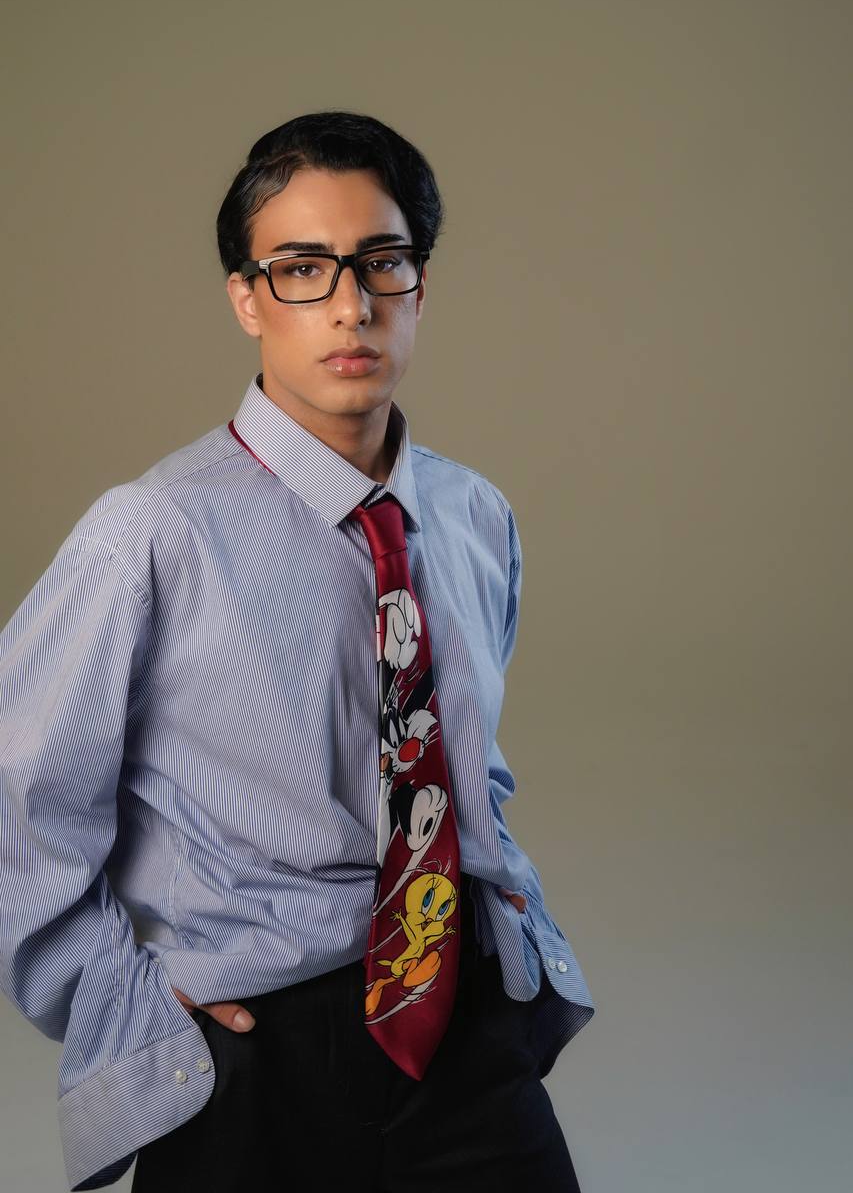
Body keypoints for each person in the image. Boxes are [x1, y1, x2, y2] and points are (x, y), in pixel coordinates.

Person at [0, 110, 594, 1191]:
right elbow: (19, 795)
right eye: (302, 269)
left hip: (463, 1027)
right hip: (258, 1053)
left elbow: (461, 760)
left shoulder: (474, 515)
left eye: (381, 263)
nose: (350, 306)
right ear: (246, 299)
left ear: (420, 286)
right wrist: (119, 999)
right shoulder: (152, 529)